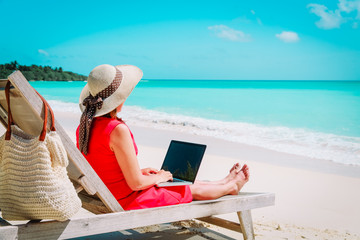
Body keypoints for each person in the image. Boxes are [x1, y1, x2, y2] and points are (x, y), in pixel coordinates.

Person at [76, 64, 250, 210]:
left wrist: (142, 173)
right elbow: (136, 184)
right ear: (120, 100)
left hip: (108, 192)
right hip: (126, 199)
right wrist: (158, 178)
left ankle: (224, 181)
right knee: (186, 188)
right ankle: (231, 186)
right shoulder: (117, 129)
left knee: (176, 180)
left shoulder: (84, 126)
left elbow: (102, 165)